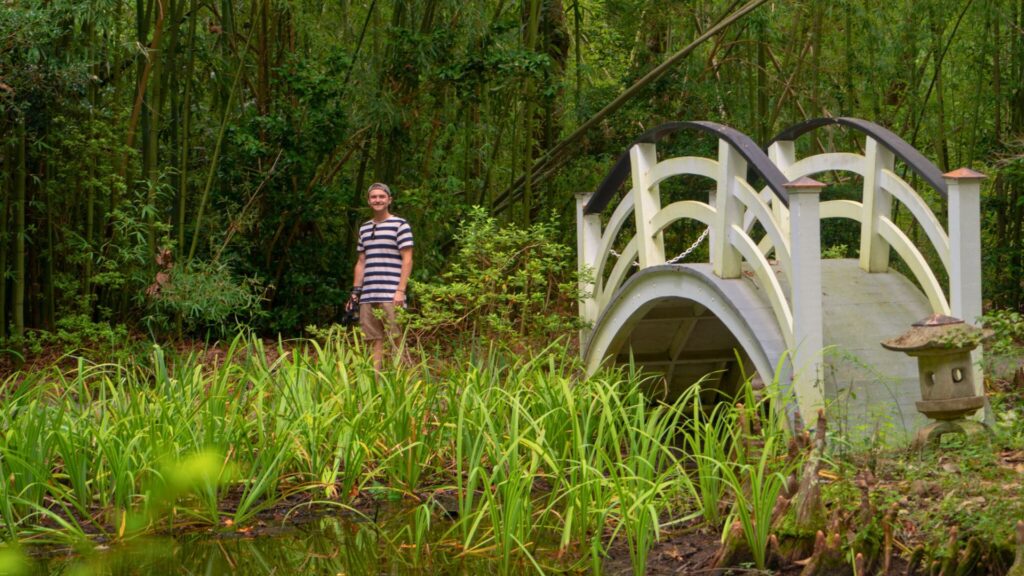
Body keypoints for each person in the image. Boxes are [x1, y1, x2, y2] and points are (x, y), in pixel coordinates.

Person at [346, 182, 413, 368]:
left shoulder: (400, 225)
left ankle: (404, 382)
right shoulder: (365, 228)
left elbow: (407, 259)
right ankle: (376, 382)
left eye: (382, 196)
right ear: (369, 201)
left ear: (389, 200)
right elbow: (361, 261)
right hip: (369, 294)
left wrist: (400, 290)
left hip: (391, 293)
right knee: (373, 339)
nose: (378, 200)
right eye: (374, 197)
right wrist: (355, 293)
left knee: (396, 337)